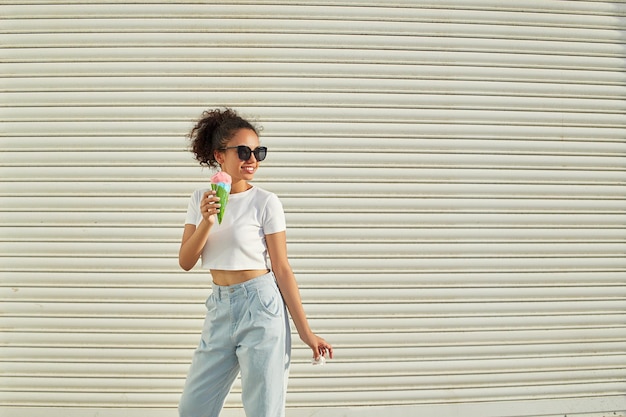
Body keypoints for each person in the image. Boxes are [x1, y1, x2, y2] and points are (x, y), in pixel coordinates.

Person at [178, 108, 333, 417]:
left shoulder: (265, 202)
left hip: (261, 306)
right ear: (220, 156)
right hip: (220, 308)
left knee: (263, 411)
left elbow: (282, 268)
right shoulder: (200, 199)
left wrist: (305, 331)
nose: (252, 159)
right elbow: (185, 261)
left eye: (258, 151)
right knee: (193, 409)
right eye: (244, 151)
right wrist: (208, 220)